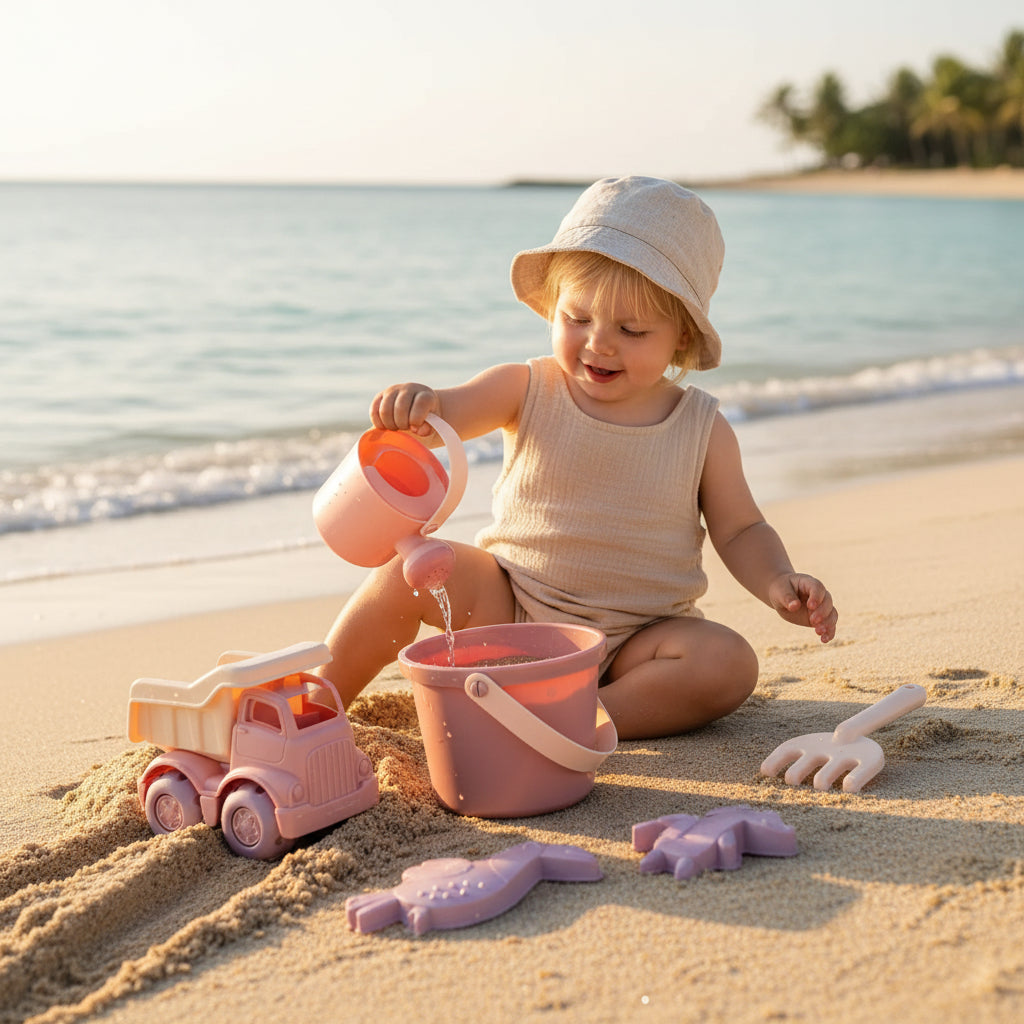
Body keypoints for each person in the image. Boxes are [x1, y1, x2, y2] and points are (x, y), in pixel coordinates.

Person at [322, 176, 837, 739]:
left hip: (635, 644)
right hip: (511, 612)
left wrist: (777, 580)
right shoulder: (526, 387)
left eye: (632, 329)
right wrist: (420, 404)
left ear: (682, 339)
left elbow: (740, 529)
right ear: (552, 310)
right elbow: (447, 414)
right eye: (577, 319)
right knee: (407, 573)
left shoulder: (702, 428)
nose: (599, 343)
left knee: (727, 663)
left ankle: (576, 720)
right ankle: (319, 701)